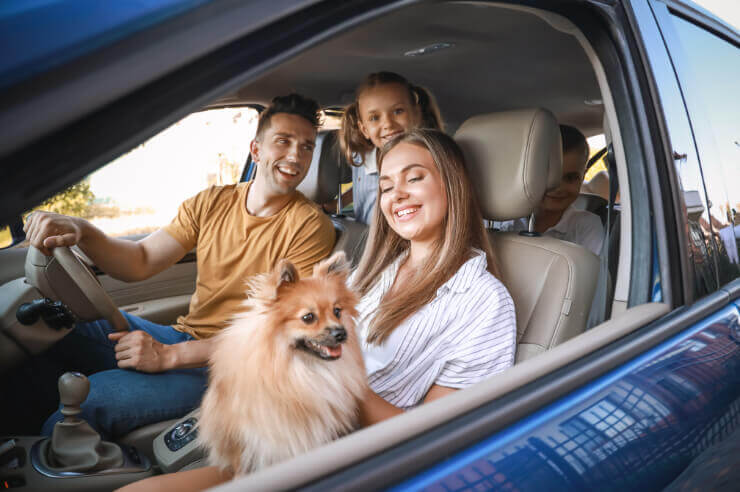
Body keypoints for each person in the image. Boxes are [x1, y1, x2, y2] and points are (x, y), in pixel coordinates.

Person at [120, 128, 516, 491]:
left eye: (414, 178)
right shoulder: (372, 272)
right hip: (282, 438)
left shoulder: (482, 302)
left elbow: (442, 440)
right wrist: (176, 355)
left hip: (346, 463)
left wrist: (341, 381)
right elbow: (275, 329)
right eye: (386, 185)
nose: (396, 195)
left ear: (453, 183)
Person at [9, 94, 336, 440]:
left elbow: (280, 334)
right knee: (56, 326)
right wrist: (85, 232)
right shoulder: (212, 202)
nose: (295, 156)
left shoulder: (310, 227)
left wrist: (169, 356)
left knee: (90, 398)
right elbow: (142, 260)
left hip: (236, 370)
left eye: (306, 147)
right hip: (186, 338)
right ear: (255, 150)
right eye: (283, 142)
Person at [322, 71, 443, 223]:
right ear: (364, 129)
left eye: (398, 111)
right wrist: (332, 206)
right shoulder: (363, 156)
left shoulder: (431, 159)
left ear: (416, 114)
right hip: (367, 238)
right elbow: (362, 190)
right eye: (374, 118)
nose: (388, 124)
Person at [498, 125, 604, 255]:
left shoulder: (587, 227)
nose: (558, 187)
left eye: (570, 178)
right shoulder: (501, 220)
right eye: (547, 176)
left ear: (583, 177)